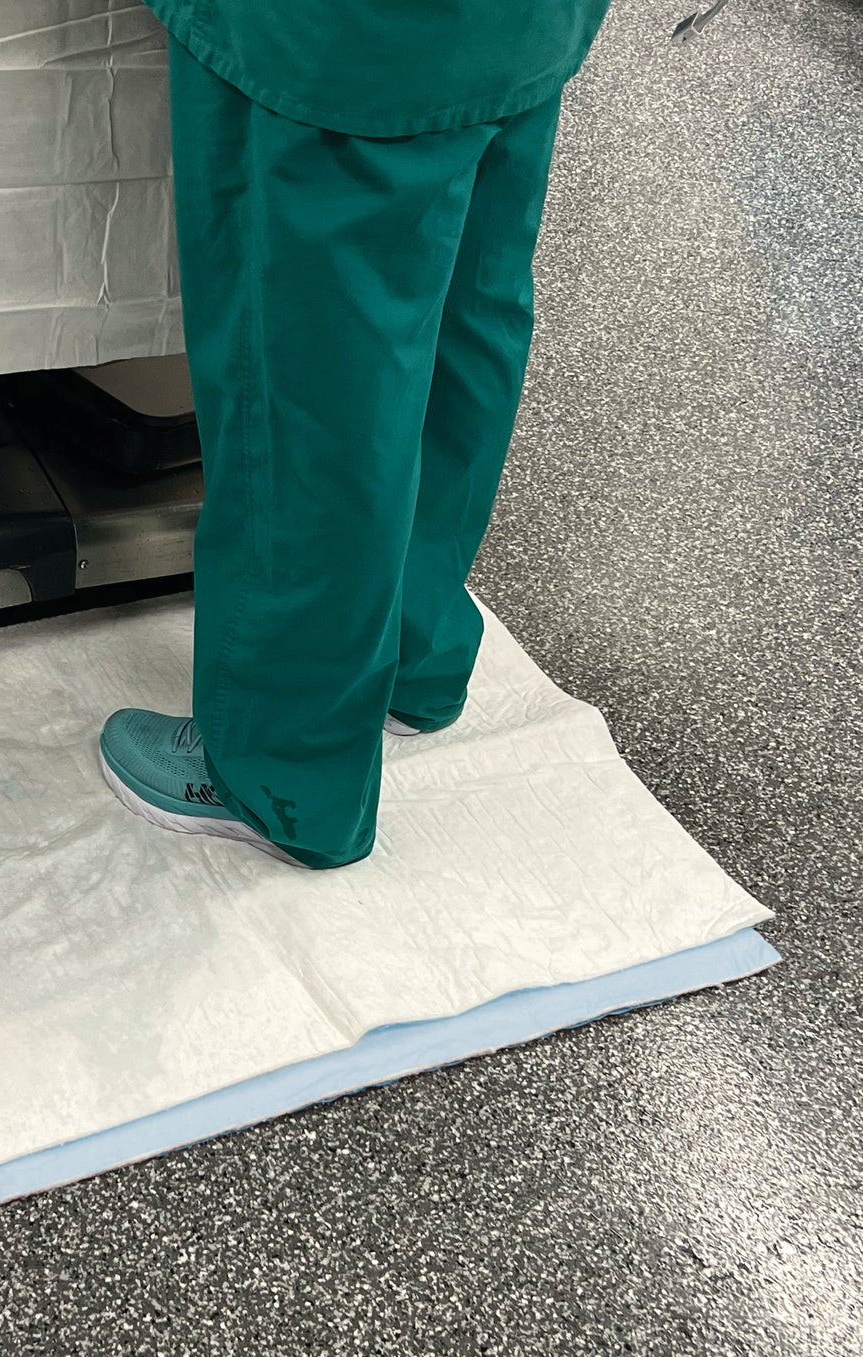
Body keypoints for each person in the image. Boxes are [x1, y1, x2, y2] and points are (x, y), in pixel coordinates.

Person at [99, 0, 613, 871]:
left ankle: (280, 771)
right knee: (467, 305)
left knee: (313, 382)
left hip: (338, 41)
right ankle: (412, 656)